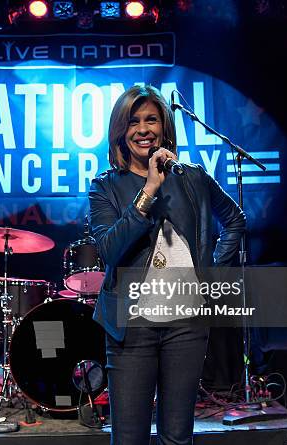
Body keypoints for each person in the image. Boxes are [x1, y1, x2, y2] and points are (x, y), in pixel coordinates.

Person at [89, 85, 246, 445]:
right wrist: (148, 193)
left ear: (164, 127)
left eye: (151, 120)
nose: (143, 129)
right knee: (129, 439)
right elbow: (110, 250)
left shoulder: (193, 178)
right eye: (133, 121)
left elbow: (234, 220)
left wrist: (209, 272)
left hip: (186, 325)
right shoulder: (105, 187)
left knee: (177, 438)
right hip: (132, 328)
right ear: (120, 131)